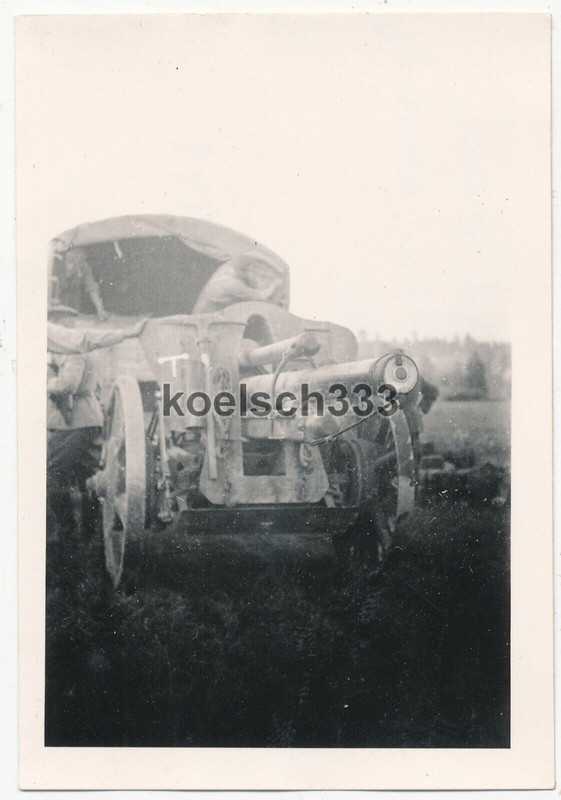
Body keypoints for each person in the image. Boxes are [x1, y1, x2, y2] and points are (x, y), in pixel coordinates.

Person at [47, 309, 148, 542]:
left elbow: (68, 385)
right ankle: (90, 531)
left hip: (73, 421)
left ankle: (67, 530)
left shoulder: (70, 352)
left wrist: (45, 382)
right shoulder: (82, 351)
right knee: (86, 474)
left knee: (54, 473)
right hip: (88, 418)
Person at [193, 251, 285, 313]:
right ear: (245, 270)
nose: (251, 271)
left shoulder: (229, 267)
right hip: (206, 312)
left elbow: (253, 253)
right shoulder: (232, 284)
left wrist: (277, 268)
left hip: (206, 303)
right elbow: (260, 297)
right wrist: (274, 285)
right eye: (249, 269)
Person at [55, 246, 109, 320]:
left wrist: (100, 309)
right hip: (57, 303)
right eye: (69, 261)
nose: (71, 266)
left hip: (74, 303)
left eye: (78, 262)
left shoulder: (84, 267)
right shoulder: (54, 264)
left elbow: (92, 288)